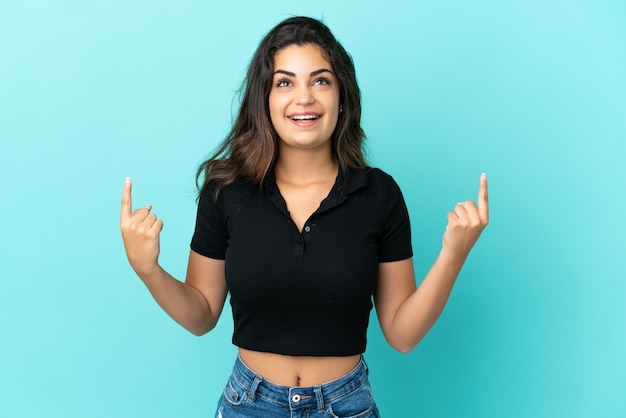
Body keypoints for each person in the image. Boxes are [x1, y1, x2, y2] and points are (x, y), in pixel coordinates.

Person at [120, 16, 488, 418]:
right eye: (285, 82)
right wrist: (148, 269)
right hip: (250, 404)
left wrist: (452, 256)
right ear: (264, 100)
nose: (304, 98)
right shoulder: (226, 190)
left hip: (346, 405)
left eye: (320, 80)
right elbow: (201, 315)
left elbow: (402, 334)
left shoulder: (379, 194)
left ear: (341, 95)